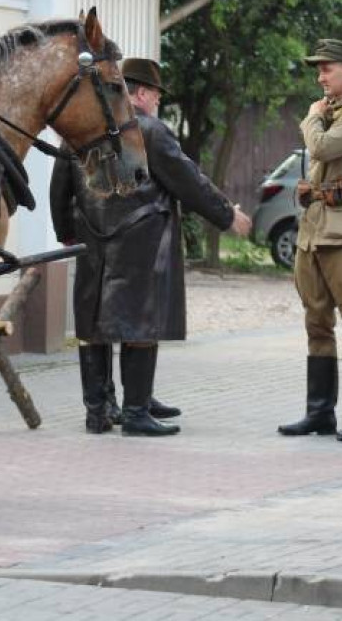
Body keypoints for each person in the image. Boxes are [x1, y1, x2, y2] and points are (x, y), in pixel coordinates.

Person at [50, 57, 252, 436]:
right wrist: (228, 216)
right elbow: (189, 182)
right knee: (140, 322)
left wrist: (67, 233)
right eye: (156, 95)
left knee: (94, 323)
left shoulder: (79, 128)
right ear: (141, 93)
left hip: (92, 240)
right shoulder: (150, 132)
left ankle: (100, 410)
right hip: (141, 244)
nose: (157, 102)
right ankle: (136, 410)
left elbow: (59, 187)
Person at [278, 39, 342, 442]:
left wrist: (310, 118)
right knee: (316, 323)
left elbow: (320, 145)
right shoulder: (330, 112)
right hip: (313, 233)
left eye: (327, 69)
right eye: (318, 70)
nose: (320, 77)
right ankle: (320, 412)